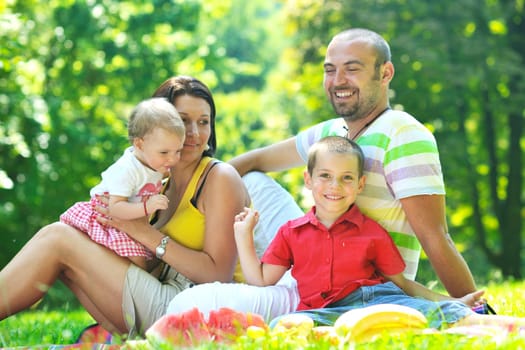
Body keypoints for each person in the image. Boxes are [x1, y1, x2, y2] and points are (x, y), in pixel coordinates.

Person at [228, 27, 476, 297]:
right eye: (330, 70)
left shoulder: (403, 133)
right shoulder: (330, 132)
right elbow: (252, 160)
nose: (338, 81)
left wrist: (472, 308)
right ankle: (211, 269)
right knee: (243, 179)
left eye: (352, 69)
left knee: (209, 303)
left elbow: (435, 236)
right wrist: (192, 195)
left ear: (385, 73)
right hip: (310, 267)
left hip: (363, 291)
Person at [0, 76, 251, 337]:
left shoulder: (219, 178)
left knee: (58, 239)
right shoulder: (159, 183)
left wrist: (141, 231)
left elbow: (218, 274)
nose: (194, 133)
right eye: (182, 121)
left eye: (203, 122)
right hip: (159, 292)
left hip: (190, 309)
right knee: (63, 237)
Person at [235, 136, 524, 331]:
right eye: (325, 176)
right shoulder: (291, 233)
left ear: (360, 185)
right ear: (308, 180)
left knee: (438, 315)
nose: (335, 186)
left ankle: (509, 327)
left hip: (381, 299)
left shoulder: (371, 232)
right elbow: (260, 280)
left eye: (346, 178)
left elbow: (404, 286)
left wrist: (452, 301)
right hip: (325, 310)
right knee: (284, 326)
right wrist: (243, 236)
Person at [60, 97, 185, 270]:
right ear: (140, 144)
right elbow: (115, 208)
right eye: (164, 152)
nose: (173, 159)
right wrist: (147, 206)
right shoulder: (127, 170)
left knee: (148, 263)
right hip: (107, 218)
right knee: (138, 262)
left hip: (130, 218)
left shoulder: (154, 162)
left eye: (178, 151)